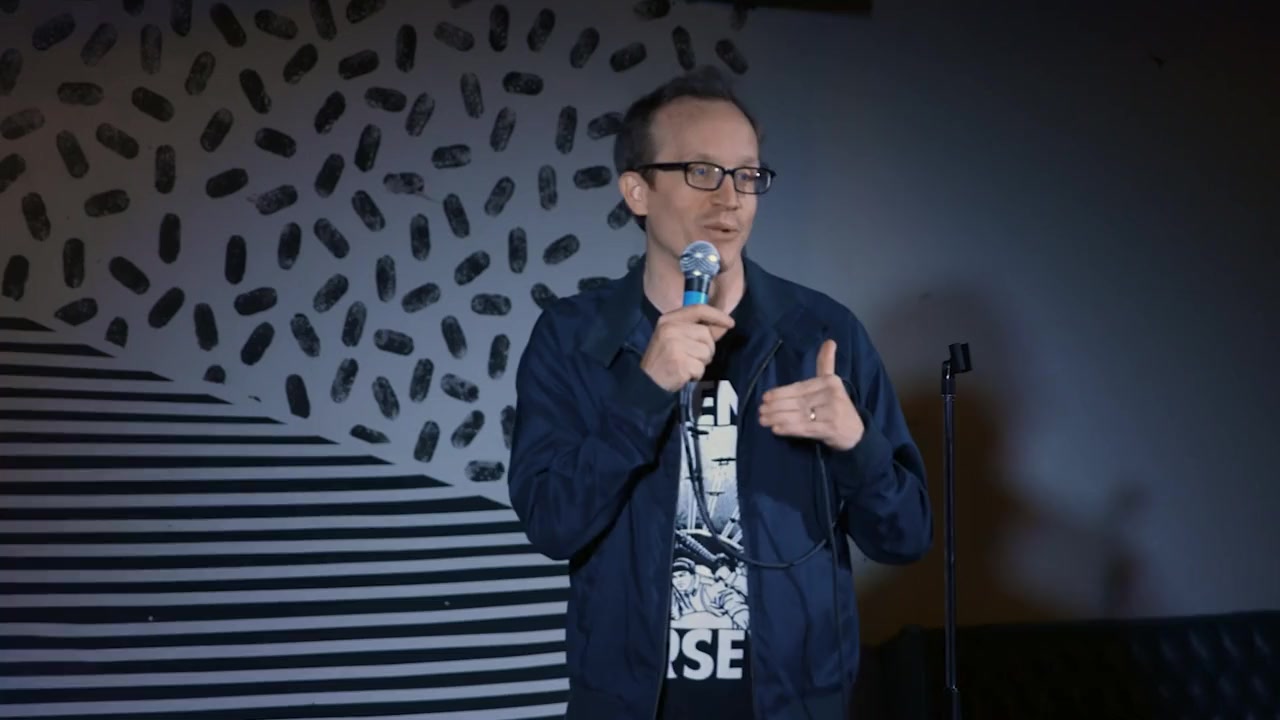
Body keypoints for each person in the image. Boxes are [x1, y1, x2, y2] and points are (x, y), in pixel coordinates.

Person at [507, 66, 932, 719]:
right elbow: (552, 523)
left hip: (793, 704)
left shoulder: (821, 333)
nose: (730, 198)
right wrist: (645, 390)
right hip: (634, 705)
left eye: (747, 174)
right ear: (638, 190)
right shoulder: (573, 338)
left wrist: (858, 444)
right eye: (701, 171)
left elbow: (904, 538)